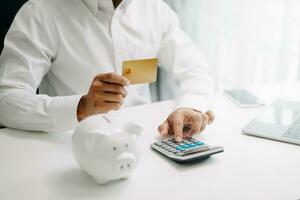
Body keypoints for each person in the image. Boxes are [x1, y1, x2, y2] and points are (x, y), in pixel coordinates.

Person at [0, 0, 214, 142]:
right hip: (72, 150)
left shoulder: (154, 8)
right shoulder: (41, 12)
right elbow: (6, 100)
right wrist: (80, 107)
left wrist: (191, 106)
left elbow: (195, 68)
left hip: (146, 144)